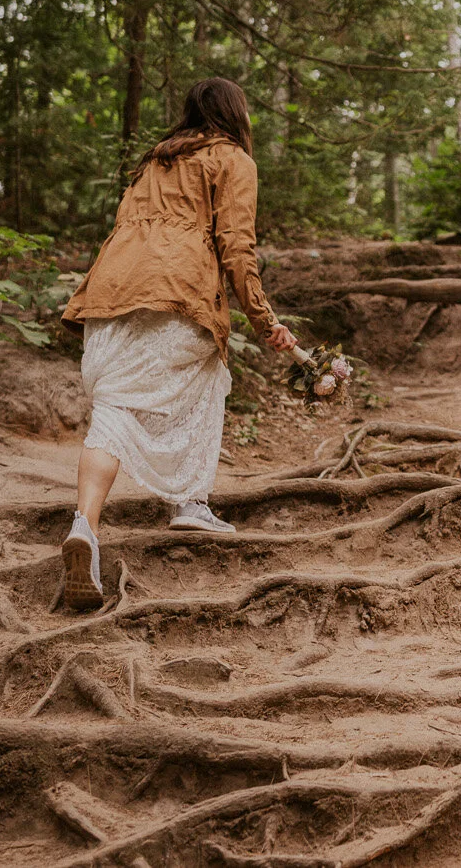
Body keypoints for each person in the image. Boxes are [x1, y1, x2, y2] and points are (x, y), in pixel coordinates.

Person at [58, 77, 299, 609]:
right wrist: (263, 319)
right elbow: (237, 247)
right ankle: (190, 502)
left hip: (112, 289)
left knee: (115, 409)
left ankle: (85, 526)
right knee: (206, 379)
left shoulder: (156, 160)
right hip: (178, 289)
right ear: (236, 114)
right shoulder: (232, 159)